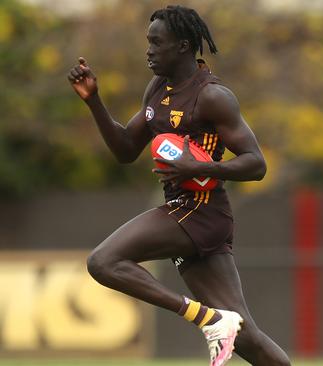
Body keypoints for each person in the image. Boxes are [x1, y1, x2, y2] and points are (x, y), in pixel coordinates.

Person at [67, 5, 291, 366]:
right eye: (148, 42)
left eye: (157, 43)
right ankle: (219, 322)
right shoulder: (157, 88)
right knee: (245, 334)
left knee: (103, 261)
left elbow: (256, 164)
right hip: (188, 214)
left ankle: (209, 319)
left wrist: (202, 166)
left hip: (200, 211)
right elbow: (126, 149)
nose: (149, 50)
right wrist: (94, 101)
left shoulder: (213, 96)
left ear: (183, 46)